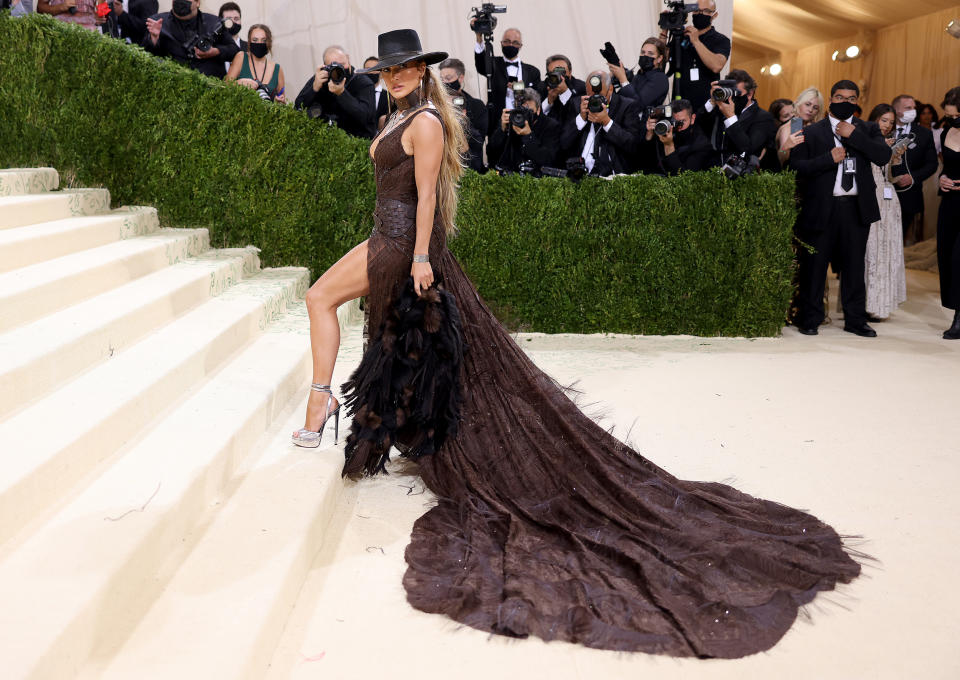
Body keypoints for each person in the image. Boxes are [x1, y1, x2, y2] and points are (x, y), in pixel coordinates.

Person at [291, 27, 863, 657]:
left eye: (406, 69)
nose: (396, 77)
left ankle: (319, 407)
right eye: (389, 70)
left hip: (401, 244)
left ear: (425, 71)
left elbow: (427, 194)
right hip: (389, 234)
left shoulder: (424, 121)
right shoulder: (403, 112)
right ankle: (371, 423)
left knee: (324, 300)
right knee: (401, 342)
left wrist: (422, 255)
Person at [789, 79, 893, 337]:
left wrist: (853, 135)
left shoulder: (868, 129)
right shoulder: (812, 131)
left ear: (857, 102)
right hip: (822, 207)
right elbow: (796, 168)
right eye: (839, 97)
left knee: (855, 267)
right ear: (831, 100)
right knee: (815, 266)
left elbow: (882, 156)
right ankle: (810, 319)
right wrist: (828, 159)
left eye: (851, 99)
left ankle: (855, 320)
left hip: (856, 209)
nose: (845, 102)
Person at [864, 104, 907, 320]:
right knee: (871, 252)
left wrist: (896, 158)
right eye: (884, 120)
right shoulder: (864, 140)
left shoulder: (888, 144)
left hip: (889, 202)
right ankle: (866, 303)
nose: (887, 125)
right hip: (871, 198)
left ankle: (882, 304)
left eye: (891, 122)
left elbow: (890, 177)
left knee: (887, 251)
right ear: (874, 119)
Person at [561, 70, 642, 177]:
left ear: (610, 89)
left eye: (599, 95)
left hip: (614, 175)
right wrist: (581, 118)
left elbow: (633, 145)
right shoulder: (577, 104)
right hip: (580, 173)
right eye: (590, 94)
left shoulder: (627, 106)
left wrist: (607, 122)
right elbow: (564, 143)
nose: (594, 99)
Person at [697, 69, 777, 170]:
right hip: (713, 171)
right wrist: (713, 100)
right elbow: (698, 123)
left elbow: (749, 149)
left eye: (735, 92)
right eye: (729, 91)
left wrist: (730, 117)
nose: (731, 97)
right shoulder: (721, 108)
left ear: (749, 94)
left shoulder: (763, 117)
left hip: (742, 177)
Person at [659, 0, 730, 110]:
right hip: (679, 105)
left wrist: (696, 41)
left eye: (705, 11)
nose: (699, 14)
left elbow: (717, 66)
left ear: (714, 15)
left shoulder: (721, 40)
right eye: (696, 10)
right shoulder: (682, 36)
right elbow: (661, 58)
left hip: (706, 106)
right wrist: (664, 31)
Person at [141, 0, 239, 79]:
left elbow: (234, 51)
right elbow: (144, 56)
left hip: (209, 89)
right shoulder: (157, 22)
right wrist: (154, 39)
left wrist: (215, 52)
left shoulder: (214, 22)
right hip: (171, 87)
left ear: (198, 3)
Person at [294, 45, 376, 139]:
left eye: (342, 64)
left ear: (348, 59)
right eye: (333, 66)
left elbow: (365, 117)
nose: (339, 69)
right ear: (325, 66)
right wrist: (314, 88)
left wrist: (342, 93)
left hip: (358, 143)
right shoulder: (321, 79)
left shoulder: (363, 82)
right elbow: (298, 107)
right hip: (327, 142)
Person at [471, 26, 541, 133]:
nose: (511, 45)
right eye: (507, 41)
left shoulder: (533, 71)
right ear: (501, 43)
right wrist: (479, 38)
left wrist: (522, 90)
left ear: (520, 46)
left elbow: (537, 99)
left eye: (515, 42)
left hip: (525, 124)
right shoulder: (493, 64)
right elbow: (480, 64)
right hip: (498, 125)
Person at [889, 94, 939, 243]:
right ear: (897, 111)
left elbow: (932, 164)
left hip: (910, 194)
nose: (913, 111)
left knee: (902, 238)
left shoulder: (924, 134)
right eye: (908, 108)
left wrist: (912, 177)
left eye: (914, 108)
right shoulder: (884, 129)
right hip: (884, 192)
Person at [487, 88, 560, 173]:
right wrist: (502, 130)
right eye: (521, 110)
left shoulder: (551, 126)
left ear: (538, 110)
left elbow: (548, 160)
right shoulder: (512, 121)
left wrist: (529, 136)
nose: (524, 116)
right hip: (511, 176)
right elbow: (491, 152)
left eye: (528, 111)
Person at [936, 87, 960, 339]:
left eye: (955, 117)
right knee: (946, 257)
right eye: (949, 116)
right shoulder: (945, 132)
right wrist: (942, 178)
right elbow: (947, 166)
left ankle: (959, 318)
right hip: (950, 203)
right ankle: (955, 308)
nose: (952, 121)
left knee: (959, 259)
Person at [439, 58, 488, 173]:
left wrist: (461, 121)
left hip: (471, 168)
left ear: (460, 78)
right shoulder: (435, 105)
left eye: (448, 78)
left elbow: (479, 140)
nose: (444, 82)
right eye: (441, 79)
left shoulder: (477, 106)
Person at [642, 98, 713, 174]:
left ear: (692, 119)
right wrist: (649, 134)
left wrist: (669, 146)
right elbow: (642, 161)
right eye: (673, 121)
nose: (677, 126)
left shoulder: (701, 145)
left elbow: (684, 179)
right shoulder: (663, 130)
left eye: (681, 122)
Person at [226, 24, 285, 103]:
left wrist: (279, 101)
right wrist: (239, 83)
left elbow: (282, 100)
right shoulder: (241, 57)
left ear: (269, 42)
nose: (259, 43)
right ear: (249, 42)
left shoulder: (277, 69)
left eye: (264, 40)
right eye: (255, 40)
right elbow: (225, 86)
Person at [608, 38, 669, 109]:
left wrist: (623, 79)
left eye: (650, 53)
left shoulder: (660, 78)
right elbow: (619, 100)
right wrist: (610, 78)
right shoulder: (638, 76)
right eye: (643, 52)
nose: (645, 56)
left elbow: (638, 105)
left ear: (659, 58)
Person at [775, 86, 822, 168]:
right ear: (798, 103)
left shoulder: (814, 127)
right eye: (807, 104)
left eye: (815, 108)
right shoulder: (790, 126)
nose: (810, 110)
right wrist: (785, 147)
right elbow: (782, 160)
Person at [536, 54, 586, 130]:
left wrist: (565, 92)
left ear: (570, 71)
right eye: (553, 73)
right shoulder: (543, 87)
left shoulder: (581, 87)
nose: (558, 76)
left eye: (561, 72)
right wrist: (549, 101)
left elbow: (578, 114)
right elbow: (537, 115)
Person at [37, 0, 102, 30]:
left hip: (90, 37)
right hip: (60, 33)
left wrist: (101, 15)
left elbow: (103, 14)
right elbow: (40, 8)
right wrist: (60, 7)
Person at [363, 56, 390, 128]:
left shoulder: (389, 96)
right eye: (368, 69)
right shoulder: (357, 95)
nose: (371, 72)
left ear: (381, 73)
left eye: (375, 69)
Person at [218, 2, 244, 73]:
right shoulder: (214, 48)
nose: (233, 23)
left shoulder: (249, 48)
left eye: (236, 19)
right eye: (228, 19)